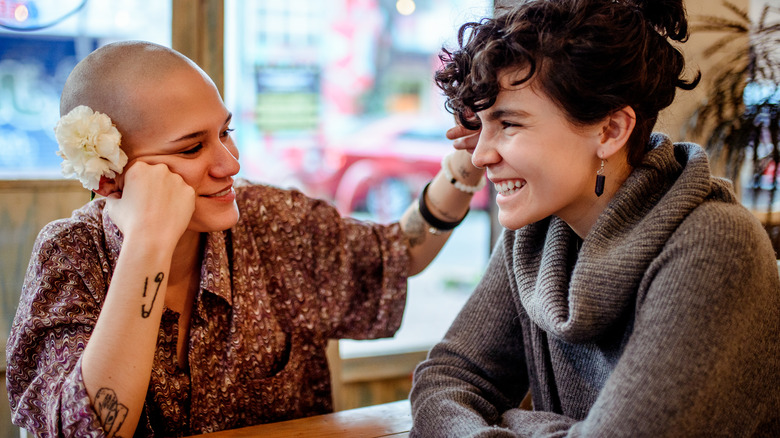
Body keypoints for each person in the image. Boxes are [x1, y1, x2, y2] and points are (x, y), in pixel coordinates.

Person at [5, 41, 486, 437]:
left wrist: (464, 168)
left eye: (226, 132)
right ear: (108, 176)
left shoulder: (269, 219)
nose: (230, 163)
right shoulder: (70, 255)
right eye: (193, 147)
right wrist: (148, 241)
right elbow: (86, 432)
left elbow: (398, 255)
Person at [409, 0, 780, 436]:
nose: (481, 154)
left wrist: (518, 422)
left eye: (508, 124)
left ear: (610, 131)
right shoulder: (535, 235)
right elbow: (443, 382)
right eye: (482, 126)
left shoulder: (714, 245)